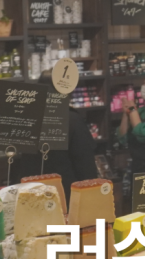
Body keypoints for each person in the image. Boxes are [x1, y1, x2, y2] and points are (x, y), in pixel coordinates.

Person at [11, 73, 98, 201]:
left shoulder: (28, 117)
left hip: (30, 195)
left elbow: (21, 161)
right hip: (64, 196)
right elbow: (86, 167)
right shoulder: (72, 119)